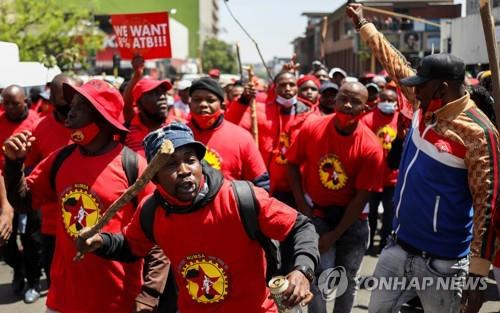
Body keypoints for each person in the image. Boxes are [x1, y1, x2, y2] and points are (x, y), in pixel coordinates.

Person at [347, 4, 500, 313]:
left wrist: (477, 275)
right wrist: (364, 24)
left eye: (423, 85)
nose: (414, 90)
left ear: (442, 89)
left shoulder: (478, 134)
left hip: (443, 264)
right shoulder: (423, 101)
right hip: (397, 248)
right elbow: (393, 62)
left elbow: (489, 205)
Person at [75, 122, 320, 313]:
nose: (184, 171)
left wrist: (302, 271)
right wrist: (101, 242)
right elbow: (130, 246)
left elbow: (301, 227)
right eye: (170, 165)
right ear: (154, 177)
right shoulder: (152, 211)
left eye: (190, 161)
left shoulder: (240, 197)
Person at [3, 79, 165, 313]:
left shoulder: (134, 166)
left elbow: (158, 235)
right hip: (63, 299)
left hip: (117, 301)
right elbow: (23, 201)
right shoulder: (59, 160)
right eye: (72, 105)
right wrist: (13, 163)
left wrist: (149, 295)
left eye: (80, 107)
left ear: (101, 117)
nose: (70, 112)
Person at [287, 81, 384, 313]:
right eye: (343, 98)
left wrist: (335, 234)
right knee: (317, 278)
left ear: (365, 109)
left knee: (347, 280)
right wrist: (303, 207)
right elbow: (291, 164)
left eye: (355, 102)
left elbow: (361, 198)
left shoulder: (371, 147)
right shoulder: (312, 128)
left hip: (353, 221)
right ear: (334, 100)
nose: (347, 105)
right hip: (317, 215)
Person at [24, 75, 76, 290]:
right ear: (51, 101)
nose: (71, 112)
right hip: (52, 224)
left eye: (76, 102)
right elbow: (29, 168)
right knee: (57, 284)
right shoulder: (40, 127)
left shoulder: (99, 124)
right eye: (64, 104)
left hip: (92, 223)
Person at [187, 77, 270, 189]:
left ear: (222, 105)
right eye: (197, 100)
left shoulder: (242, 137)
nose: (203, 104)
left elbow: (261, 184)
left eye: (210, 100)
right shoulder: (178, 136)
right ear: (189, 104)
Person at [0, 84, 42, 303]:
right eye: (5, 102)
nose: (8, 107)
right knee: (5, 241)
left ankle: (33, 281)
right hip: (3, 189)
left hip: (30, 189)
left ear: (25, 101)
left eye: (14, 103)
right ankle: (18, 269)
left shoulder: (37, 123)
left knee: (32, 240)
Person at [361, 89, 399, 253]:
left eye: (391, 99)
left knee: (390, 214)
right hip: (372, 177)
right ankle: (369, 245)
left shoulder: (401, 119)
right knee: (371, 214)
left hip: (393, 178)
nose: (387, 102)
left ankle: (384, 244)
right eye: (384, 98)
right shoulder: (367, 119)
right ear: (378, 99)